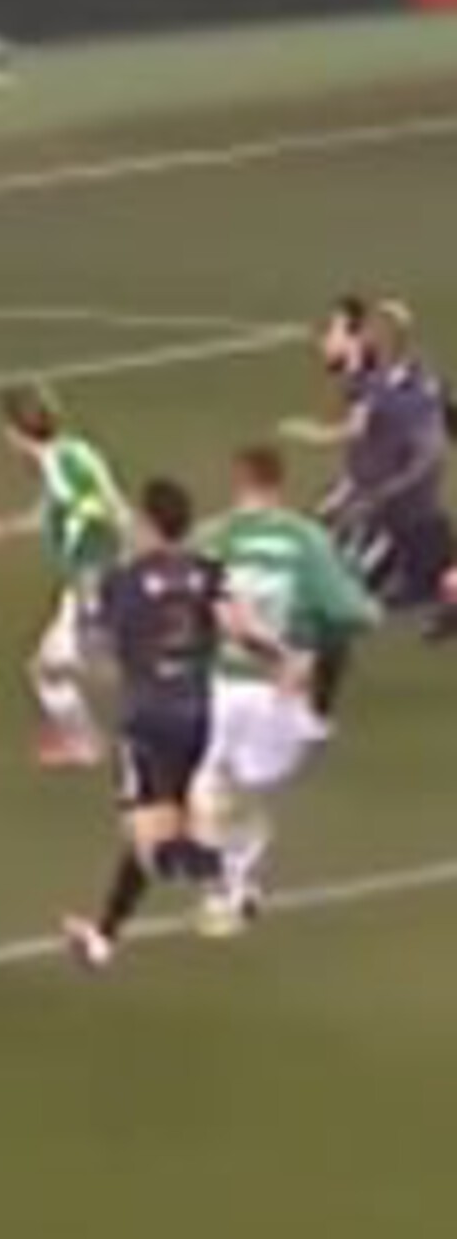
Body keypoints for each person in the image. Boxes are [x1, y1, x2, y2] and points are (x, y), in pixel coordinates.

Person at [194, 444, 382, 934]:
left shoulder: (211, 538)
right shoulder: (306, 540)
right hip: (277, 693)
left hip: (217, 682)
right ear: (278, 485)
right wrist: (311, 647)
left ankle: (231, 881)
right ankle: (235, 883)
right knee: (245, 783)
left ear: (238, 481)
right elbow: (355, 613)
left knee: (205, 787)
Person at [62, 477, 230, 971]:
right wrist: (280, 656)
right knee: (164, 822)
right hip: (198, 715)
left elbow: (96, 656)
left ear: (149, 524)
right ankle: (104, 937)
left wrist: (87, 612)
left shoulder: (124, 580)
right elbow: (238, 623)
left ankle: (225, 876)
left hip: (147, 719)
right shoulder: (208, 572)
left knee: (152, 843)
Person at [0, 385, 130, 769]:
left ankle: (90, 742)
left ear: (15, 433)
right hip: (105, 574)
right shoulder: (73, 452)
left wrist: (90, 588)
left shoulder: (58, 468)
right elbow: (70, 509)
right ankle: (95, 734)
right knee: (72, 665)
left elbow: (96, 514)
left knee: (53, 669)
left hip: (95, 580)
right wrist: (8, 528)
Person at [283, 297, 453, 627]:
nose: (368, 337)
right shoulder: (422, 373)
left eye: (372, 332)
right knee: (332, 523)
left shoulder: (377, 384)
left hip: (389, 491)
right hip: (405, 486)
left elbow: (354, 429)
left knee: (358, 564)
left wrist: (310, 433)